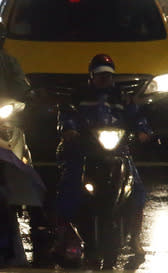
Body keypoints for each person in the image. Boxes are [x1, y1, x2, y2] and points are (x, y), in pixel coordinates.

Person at [55, 54, 152, 258]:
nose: (104, 80)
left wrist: (142, 130)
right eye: (100, 76)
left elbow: (136, 115)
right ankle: (64, 235)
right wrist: (70, 130)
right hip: (85, 150)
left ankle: (135, 237)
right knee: (69, 185)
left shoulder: (122, 97)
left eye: (108, 76)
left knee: (136, 189)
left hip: (117, 151)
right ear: (91, 76)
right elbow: (67, 115)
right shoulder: (79, 96)